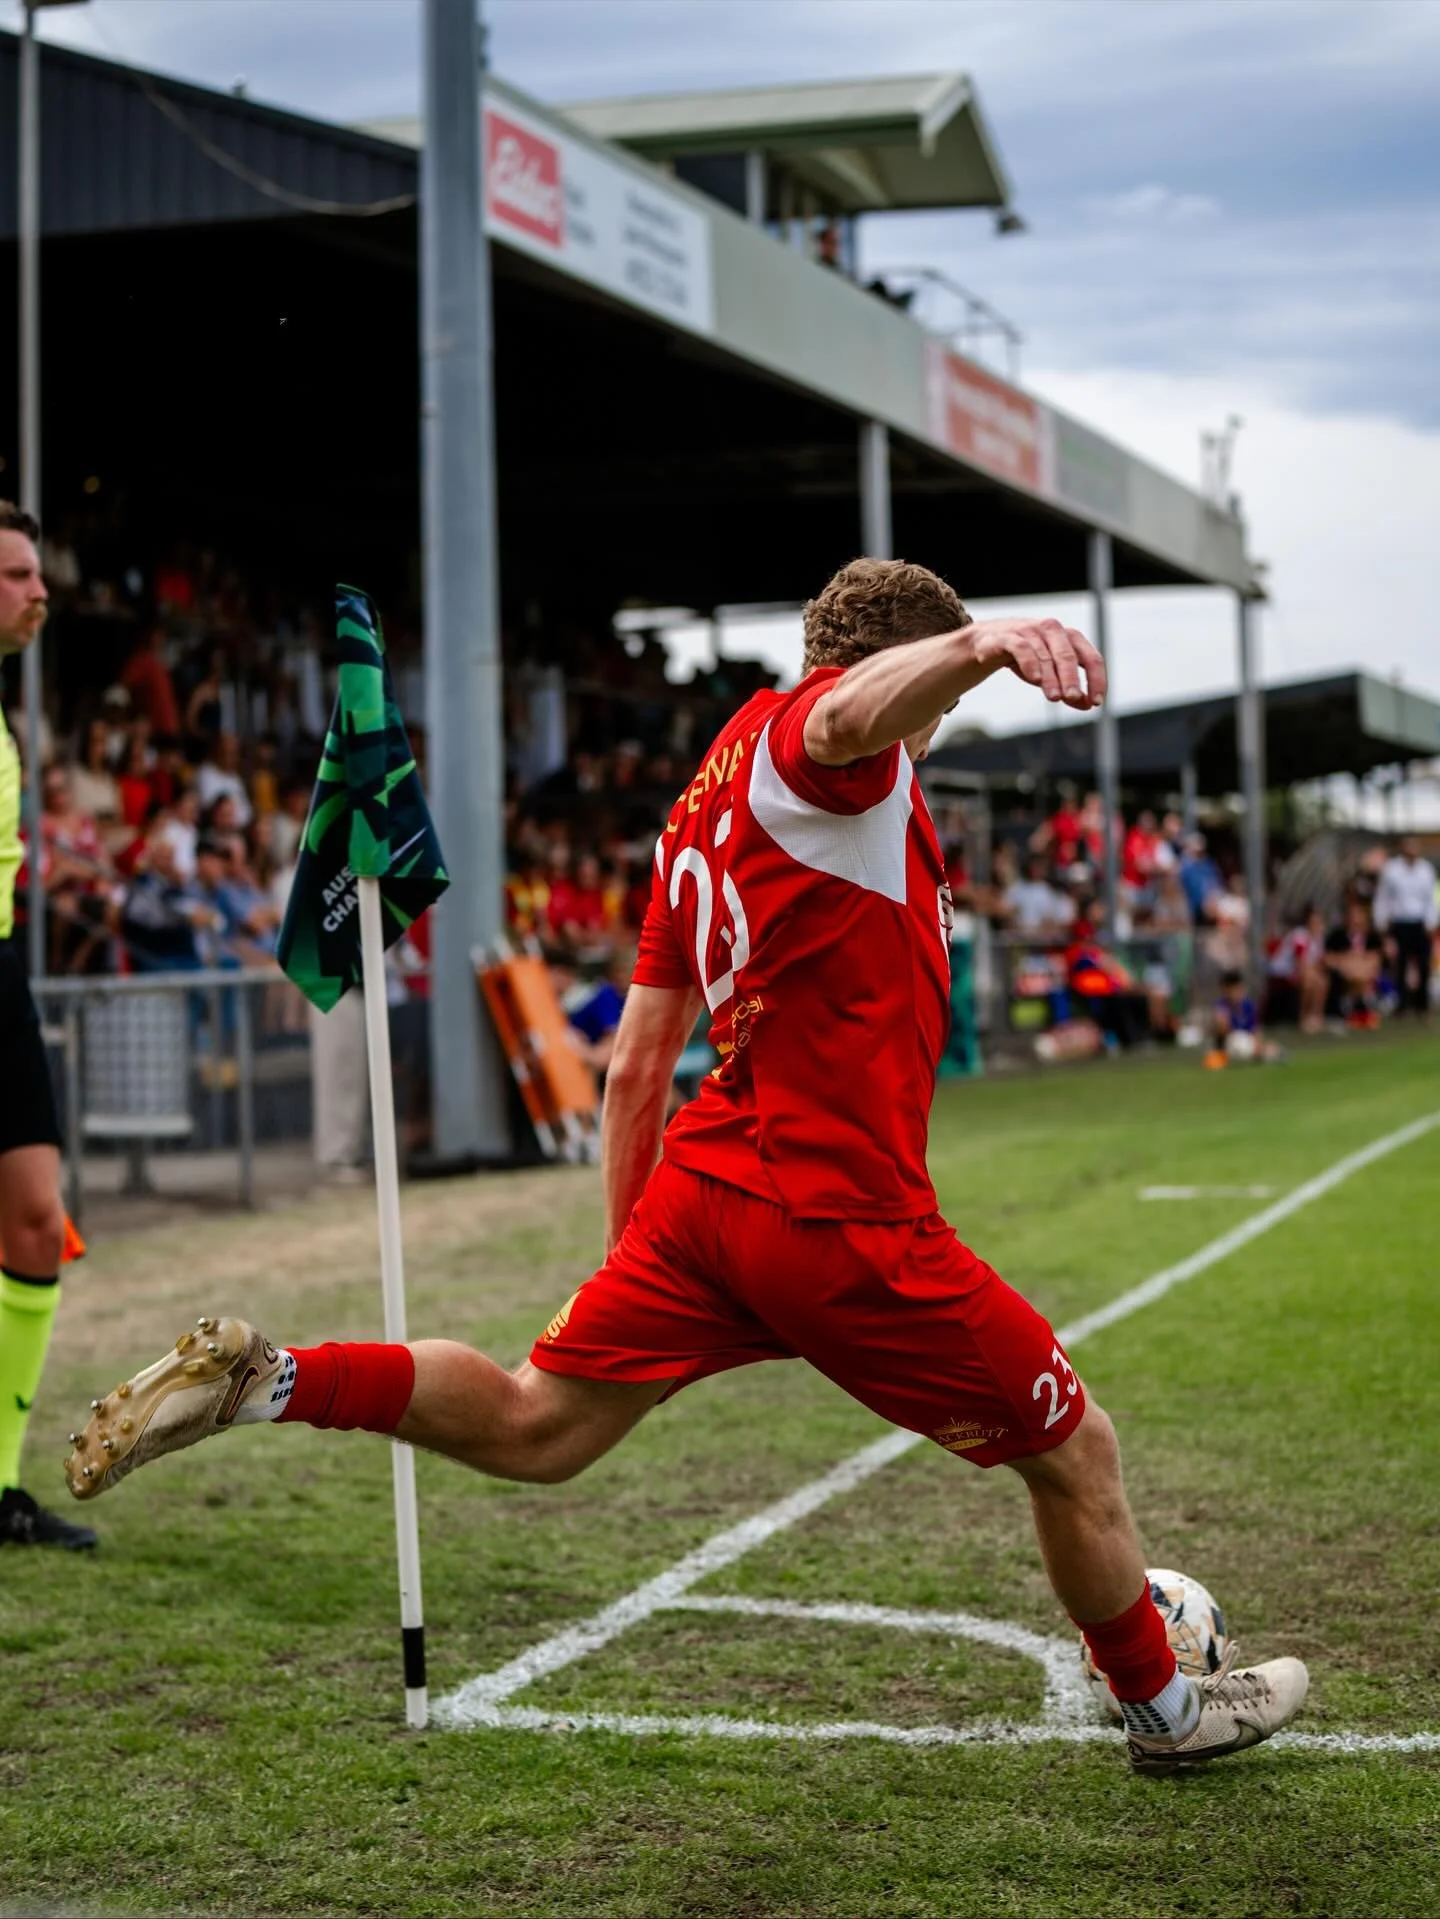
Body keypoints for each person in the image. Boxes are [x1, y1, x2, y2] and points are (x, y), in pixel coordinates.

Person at [63, 557, 1306, 1770]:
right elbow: (852, 713)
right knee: (1076, 1452)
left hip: (707, 1195)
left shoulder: (705, 796)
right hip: (835, 1213)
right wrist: (981, 646)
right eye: (938, 698)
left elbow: (635, 1064)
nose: (934, 727)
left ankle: (275, 1377)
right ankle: (1162, 1706)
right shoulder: (830, 744)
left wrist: (633, 1253)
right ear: (887, 674)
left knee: (538, 1423)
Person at [0, 503, 96, 1548]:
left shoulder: (6, 723)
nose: (40, 590)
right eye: (20, 574)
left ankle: (1, 1486)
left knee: (33, 1218)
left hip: (2, 973)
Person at [1373, 835, 1436, 1019]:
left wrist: (1431, 922)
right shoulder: (1391, 870)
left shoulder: (1426, 870)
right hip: (1399, 922)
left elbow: (1430, 899)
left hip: (1420, 923)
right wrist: (1381, 922)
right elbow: (1383, 898)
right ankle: (1402, 1005)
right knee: (1400, 965)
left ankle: (1422, 1005)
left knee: (1423, 965)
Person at [1323, 896, 1383, 1027]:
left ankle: (1359, 1008)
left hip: (1363, 973)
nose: (1355, 919)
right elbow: (1329, 957)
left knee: (1363, 971)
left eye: (1358, 915)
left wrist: (1355, 962)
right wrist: (1349, 961)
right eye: (1352, 915)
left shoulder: (1372, 937)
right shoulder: (1337, 936)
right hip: (1345, 973)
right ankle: (1355, 1007)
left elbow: (1375, 959)